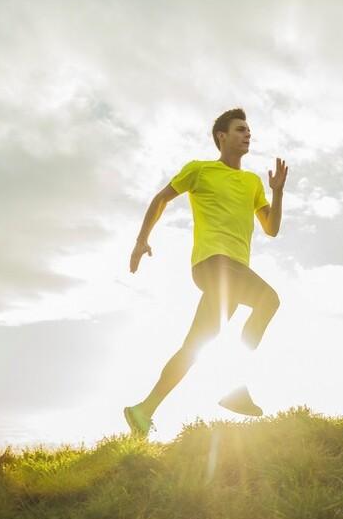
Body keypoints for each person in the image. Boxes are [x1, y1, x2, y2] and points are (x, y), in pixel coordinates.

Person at [123, 108, 288, 437]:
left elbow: (271, 228)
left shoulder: (252, 182)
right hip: (212, 263)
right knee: (268, 300)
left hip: (235, 271)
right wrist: (142, 240)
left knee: (195, 346)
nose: (247, 134)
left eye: (248, 130)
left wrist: (278, 191)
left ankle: (143, 410)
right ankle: (236, 387)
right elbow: (161, 199)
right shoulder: (199, 170)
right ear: (221, 137)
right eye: (240, 129)